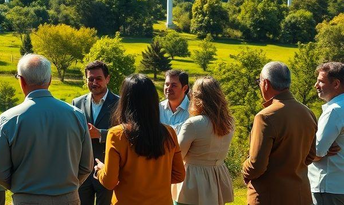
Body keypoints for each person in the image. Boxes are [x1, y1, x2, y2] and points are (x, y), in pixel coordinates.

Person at [0, 54, 93, 205]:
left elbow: (0, 173)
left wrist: (21, 188)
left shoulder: (8, 119)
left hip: (26, 198)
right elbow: (86, 166)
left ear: (21, 80)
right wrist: (66, 187)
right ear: (50, 80)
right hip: (68, 198)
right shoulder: (76, 115)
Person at [94, 74, 185, 204]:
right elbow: (179, 175)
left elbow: (109, 182)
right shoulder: (169, 132)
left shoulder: (117, 134)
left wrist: (100, 170)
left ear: (125, 100)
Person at [242, 61, 317, 205]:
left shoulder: (265, 116)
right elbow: (310, 156)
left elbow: (256, 165)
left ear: (265, 84)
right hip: (301, 195)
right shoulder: (308, 113)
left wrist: (244, 170)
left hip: (270, 196)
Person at [172, 76, 234, 205]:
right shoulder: (229, 122)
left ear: (196, 97)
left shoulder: (194, 124)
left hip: (192, 180)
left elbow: (177, 156)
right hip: (216, 177)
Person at [71, 61, 119, 205]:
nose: (94, 82)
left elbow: (125, 132)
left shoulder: (120, 103)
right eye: (90, 79)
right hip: (82, 169)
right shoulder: (77, 103)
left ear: (108, 79)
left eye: (98, 78)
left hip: (107, 167)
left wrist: (101, 134)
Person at [309, 62, 344, 205]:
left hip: (328, 186)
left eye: (321, 81)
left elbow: (316, 152)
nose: (316, 85)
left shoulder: (334, 111)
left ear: (336, 84)